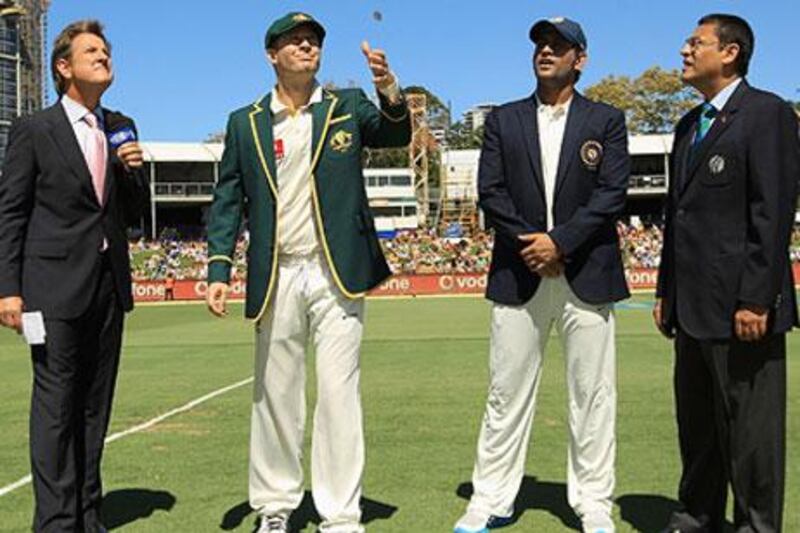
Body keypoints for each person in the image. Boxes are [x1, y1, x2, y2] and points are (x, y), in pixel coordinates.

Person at [205, 12, 410, 533]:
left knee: (339, 394)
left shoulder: (346, 106)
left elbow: (395, 132)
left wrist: (386, 85)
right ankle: (275, 506)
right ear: (271, 54)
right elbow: (228, 197)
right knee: (276, 393)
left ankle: (340, 514)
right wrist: (218, 267)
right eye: (294, 41)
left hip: (335, 269)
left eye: (314, 40)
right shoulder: (245, 122)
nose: (306, 46)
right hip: (277, 271)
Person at [454, 17, 630, 533]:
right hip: (519, 270)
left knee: (592, 394)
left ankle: (593, 502)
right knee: (505, 392)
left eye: (558, 45)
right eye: (540, 45)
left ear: (581, 58)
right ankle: (490, 498)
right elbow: (491, 192)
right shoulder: (504, 119)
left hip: (587, 272)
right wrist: (536, 244)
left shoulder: (607, 119)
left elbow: (612, 195)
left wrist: (562, 242)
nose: (546, 51)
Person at [0, 20, 149, 533]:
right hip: (49, 292)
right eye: (92, 50)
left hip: (108, 288)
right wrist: (8, 289)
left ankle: (89, 514)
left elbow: (130, 212)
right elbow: (11, 213)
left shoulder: (121, 124)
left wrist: (134, 170)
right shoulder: (34, 130)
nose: (104, 56)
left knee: (94, 407)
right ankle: (57, 522)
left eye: (107, 49)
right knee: (56, 408)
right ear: (64, 67)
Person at [654, 14, 799, 533]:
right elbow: (679, 217)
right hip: (690, 308)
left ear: (731, 52)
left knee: (752, 433)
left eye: (696, 42)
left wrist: (757, 299)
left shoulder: (768, 114)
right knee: (697, 426)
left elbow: (772, 211)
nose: (685, 50)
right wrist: (665, 290)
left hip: (743, 306)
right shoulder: (686, 125)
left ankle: (756, 525)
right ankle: (697, 515)